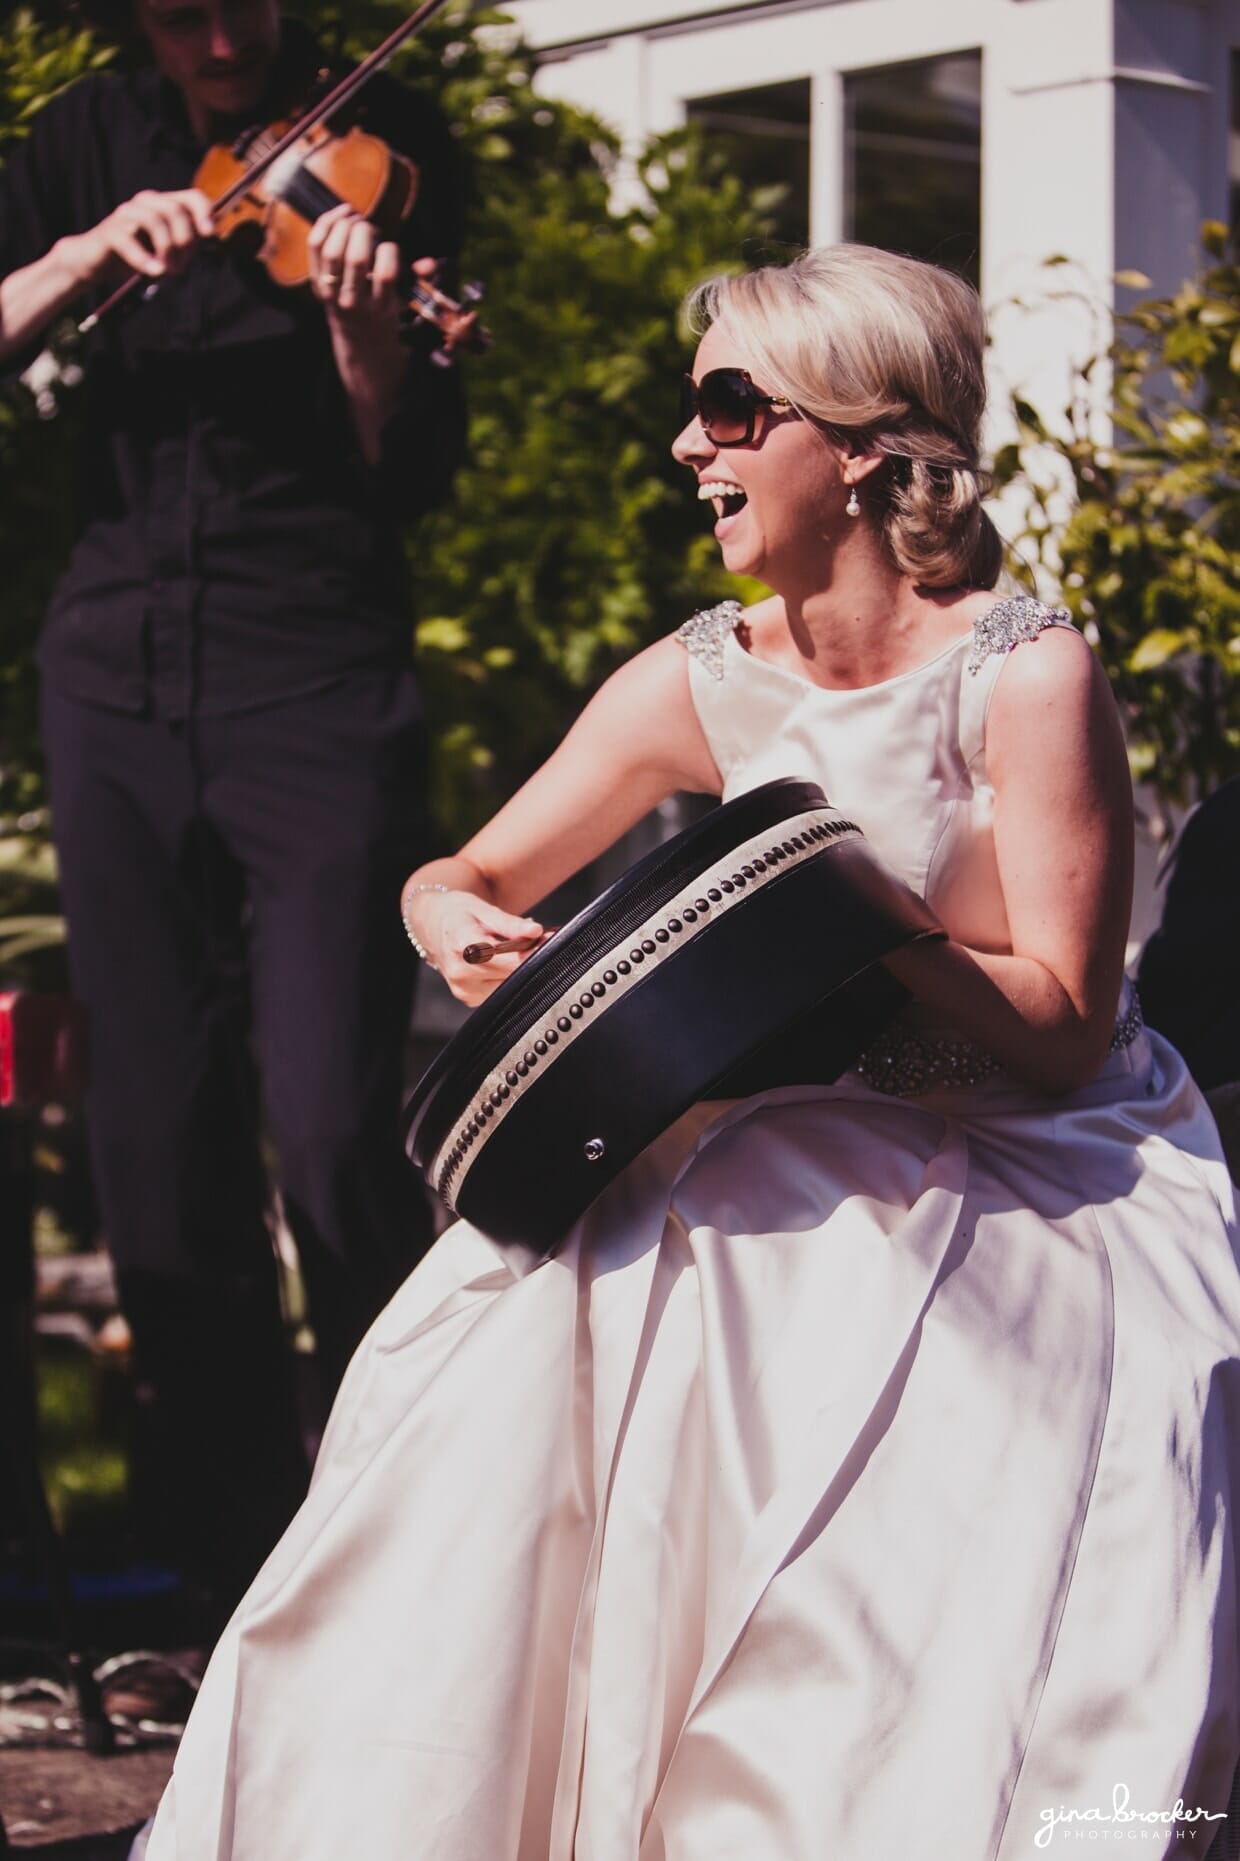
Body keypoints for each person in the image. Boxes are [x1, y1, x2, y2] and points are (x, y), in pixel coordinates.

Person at [145, 244, 1240, 1859]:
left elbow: (1069, 1036)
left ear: (865, 443)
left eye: (733, 406)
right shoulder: (702, 675)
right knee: (516, 1318)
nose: (690, 446)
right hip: (768, 1112)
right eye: (697, 408)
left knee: (756, 1273)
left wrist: (864, 912)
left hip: (1026, 1152)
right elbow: (458, 871)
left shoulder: (1029, 672)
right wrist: (448, 919)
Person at [0, 0, 465, 1609]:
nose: (220, 36)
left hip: (314, 672)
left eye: (247, 6)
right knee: (151, 1136)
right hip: (114, 670)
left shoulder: (391, 145)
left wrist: (365, 334)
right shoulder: (78, 141)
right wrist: (78, 256)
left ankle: (403, 1534)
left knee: (336, 1128)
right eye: (185, 11)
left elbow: (407, 464)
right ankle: (222, 1559)